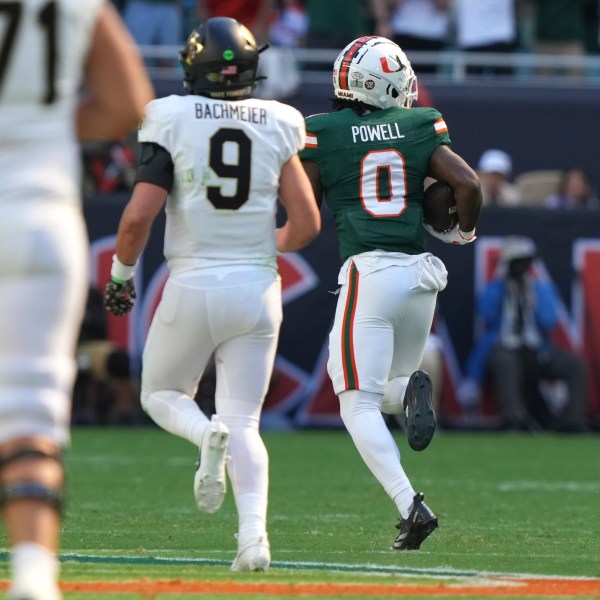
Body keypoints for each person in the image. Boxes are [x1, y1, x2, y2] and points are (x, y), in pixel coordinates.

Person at [103, 17, 320, 572]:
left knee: (159, 394)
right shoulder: (278, 121)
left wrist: (122, 278)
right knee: (245, 421)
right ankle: (253, 540)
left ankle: (204, 434)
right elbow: (306, 224)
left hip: (195, 282)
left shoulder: (171, 116)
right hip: (257, 288)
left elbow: (138, 218)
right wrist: (254, 242)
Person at [299, 36, 482, 551]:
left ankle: (410, 506)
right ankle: (409, 393)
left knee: (354, 404)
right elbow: (467, 186)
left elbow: (302, 204)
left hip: (369, 275)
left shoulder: (325, 131)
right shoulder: (422, 124)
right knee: (381, 389)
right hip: (420, 276)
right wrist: (463, 234)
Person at [0, 2, 153, 599]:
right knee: (30, 413)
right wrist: (41, 128)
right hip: (39, 209)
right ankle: (35, 575)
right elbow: (125, 101)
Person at [459, 237, 589, 432]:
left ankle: (573, 421)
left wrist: (531, 297)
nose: (519, 268)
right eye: (515, 264)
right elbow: (486, 313)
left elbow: (549, 322)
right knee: (505, 361)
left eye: (523, 263)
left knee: (575, 364)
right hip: (506, 348)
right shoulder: (496, 288)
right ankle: (514, 419)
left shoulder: (540, 289)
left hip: (537, 350)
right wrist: (502, 284)